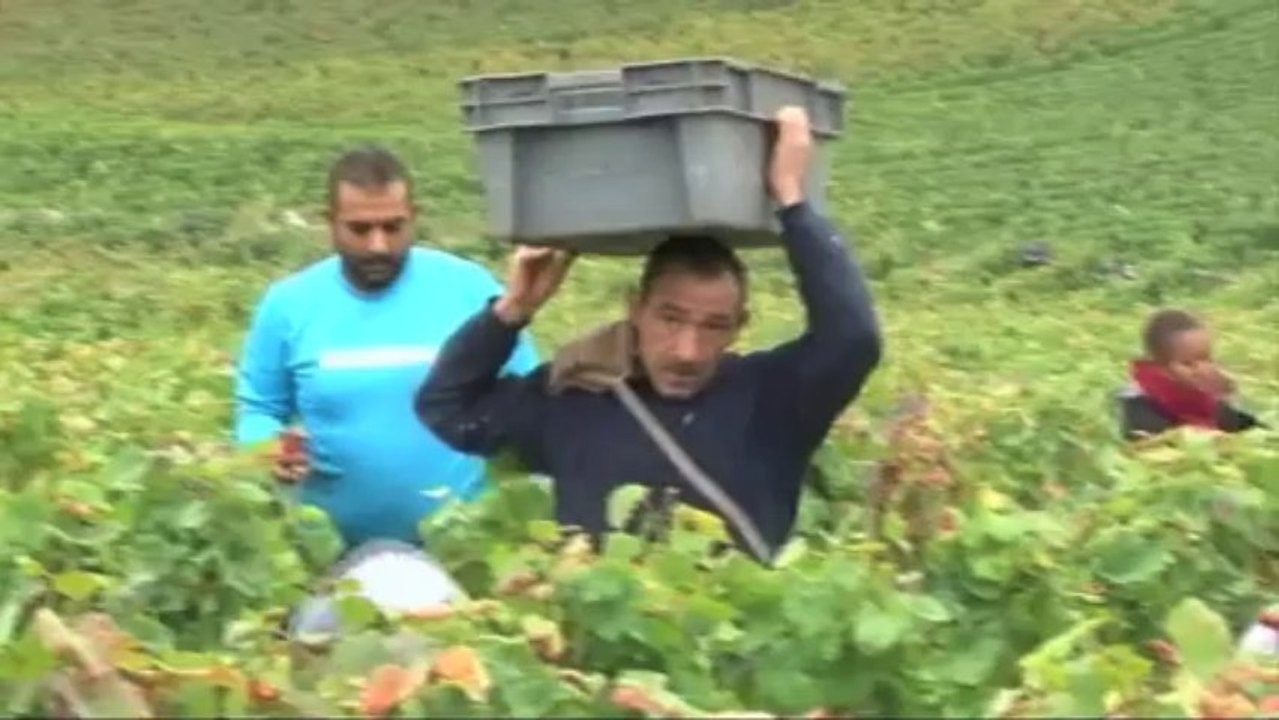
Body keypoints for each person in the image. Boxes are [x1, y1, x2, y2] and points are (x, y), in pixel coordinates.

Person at [414, 107, 882, 564]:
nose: (687, 351)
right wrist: (513, 310)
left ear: (741, 326)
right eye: (670, 319)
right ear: (635, 309)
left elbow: (854, 338)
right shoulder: (575, 397)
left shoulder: (772, 401)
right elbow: (448, 408)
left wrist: (792, 201)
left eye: (714, 326)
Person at [233, 145, 540, 550]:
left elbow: (527, 395)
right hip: (330, 555)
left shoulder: (469, 289)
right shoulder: (289, 304)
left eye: (393, 227)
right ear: (330, 224)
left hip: (466, 549)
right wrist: (269, 448)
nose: (378, 245)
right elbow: (258, 408)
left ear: (414, 218)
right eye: (359, 229)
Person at [1118, 308, 1264, 442]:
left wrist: (1229, 394)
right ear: (1161, 367)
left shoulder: (1206, 396)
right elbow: (1154, 448)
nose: (1201, 369)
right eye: (1188, 363)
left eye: (1206, 358)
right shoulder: (1138, 403)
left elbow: (1258, 431)